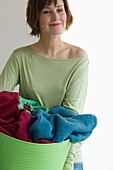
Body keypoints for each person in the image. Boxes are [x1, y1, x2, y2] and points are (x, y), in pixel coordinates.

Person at [0, 0, 89, 169]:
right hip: (25, 153)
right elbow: (1, 100)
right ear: (36, 18)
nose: (56, 16)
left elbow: (71, 118)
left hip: (64, 155)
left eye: (60, 9)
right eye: (47, 11)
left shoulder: (79, 58)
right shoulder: (20, 57)